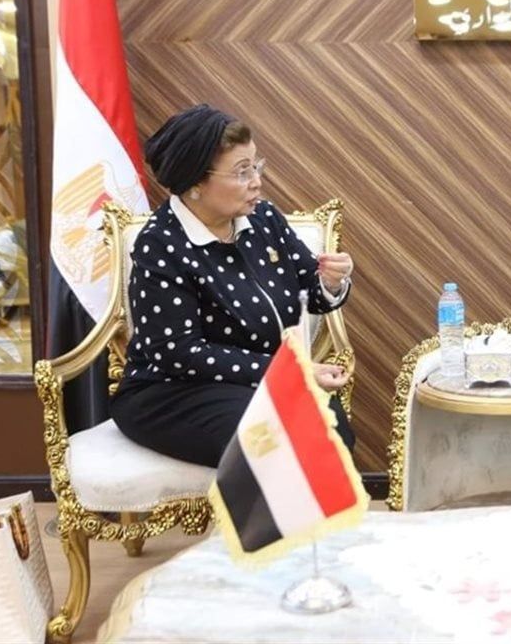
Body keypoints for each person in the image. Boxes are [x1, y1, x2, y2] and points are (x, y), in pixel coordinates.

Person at [110, 104, 356, 467]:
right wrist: (290, 371)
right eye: (242, 172)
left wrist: (332, 281)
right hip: (172, 390)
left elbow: (312, 293)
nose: (256, 181)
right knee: (273, 439)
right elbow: (179, 351)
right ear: (196, 181)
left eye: (256, 166)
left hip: (254, 381)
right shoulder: (160, 244)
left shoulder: (264, 220)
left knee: (332, 429)